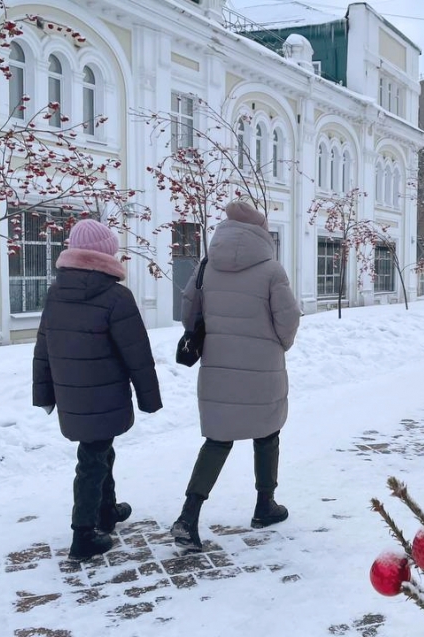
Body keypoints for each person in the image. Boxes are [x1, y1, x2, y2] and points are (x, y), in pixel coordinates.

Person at [171, 200, 301, 552]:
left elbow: (188, 314)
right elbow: (287, 320)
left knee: (217, 439)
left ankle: (189, 514)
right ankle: (264, 505)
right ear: (261, 231)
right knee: (267, 432)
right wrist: (278, 344)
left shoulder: (206, 265)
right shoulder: (272, 270)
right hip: (263, 369)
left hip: (217, 367)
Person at [32, 218, 162, 561]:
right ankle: (83, 535)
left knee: (99, 451)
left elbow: (43, 346)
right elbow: (137, 353)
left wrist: (44, 393)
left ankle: (107, 511)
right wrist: (149, 397)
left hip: (72, 395)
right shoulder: (117, 296)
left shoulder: (56, 292)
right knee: (91, 459)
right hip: (105, 395)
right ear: (106, 253)